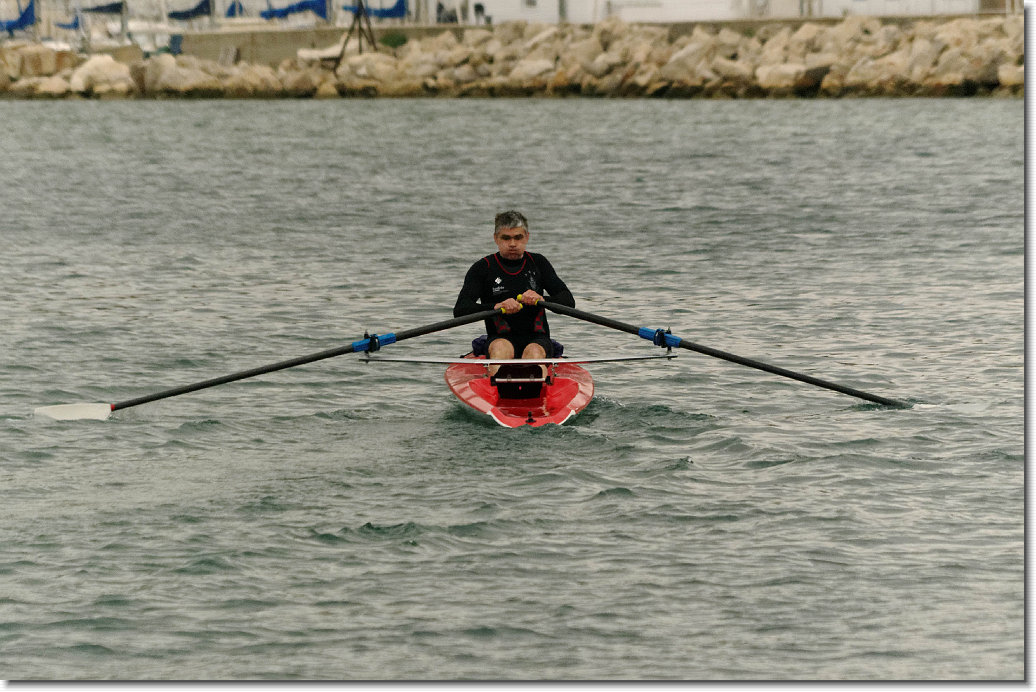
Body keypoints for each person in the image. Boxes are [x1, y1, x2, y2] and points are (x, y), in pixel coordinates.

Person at [454, 211, 575, 372]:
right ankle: (500, 386)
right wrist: (496, 306)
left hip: (537, 339)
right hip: (499, 338)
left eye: (518, 237)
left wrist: (542, 299)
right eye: (506, 238)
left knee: (533, 353)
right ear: (496, 238)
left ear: (526, 237)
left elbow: (568, 301)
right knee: (500, 349)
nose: (512, 244)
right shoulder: (483, 268)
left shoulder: (538, 263)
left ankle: (535, 387)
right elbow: (461, 310)